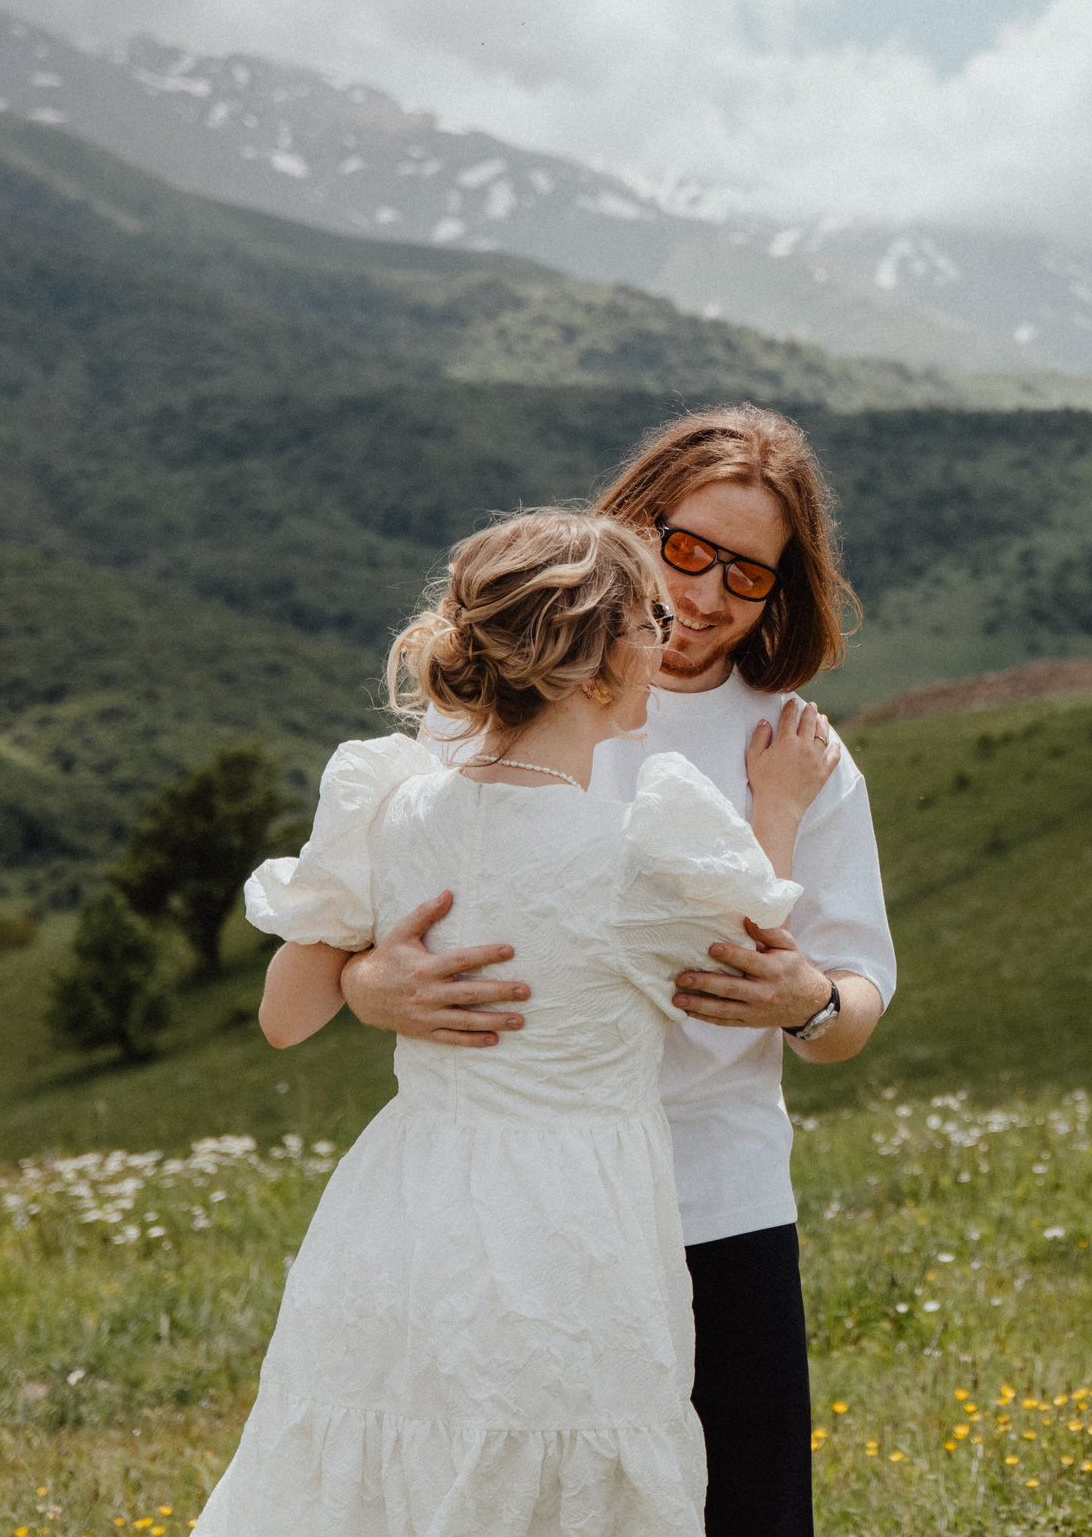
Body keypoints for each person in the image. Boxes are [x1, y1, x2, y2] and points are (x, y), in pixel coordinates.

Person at [198, 508, 839, 1535]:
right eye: (649, 622)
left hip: (404, 1216)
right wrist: (781, 805)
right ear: (599, 666)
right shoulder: (634, 855)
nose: (665, 638)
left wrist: (364, 974)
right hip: (569, 1230)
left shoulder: (395, 805)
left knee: (388, 1473)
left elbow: (282, 1017)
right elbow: (756, 952)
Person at [333, 406, 896, 1537]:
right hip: (514, 1202)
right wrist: (369, 989)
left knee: (744, 1509)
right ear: (634, 522)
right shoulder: (496, 702)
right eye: (685, 548)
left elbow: (855, 996)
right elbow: (366, 917)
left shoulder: (796, 752)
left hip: (716, 1199)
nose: (704, 595)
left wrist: (812, 1004)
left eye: (747, 574)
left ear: (780, 592)